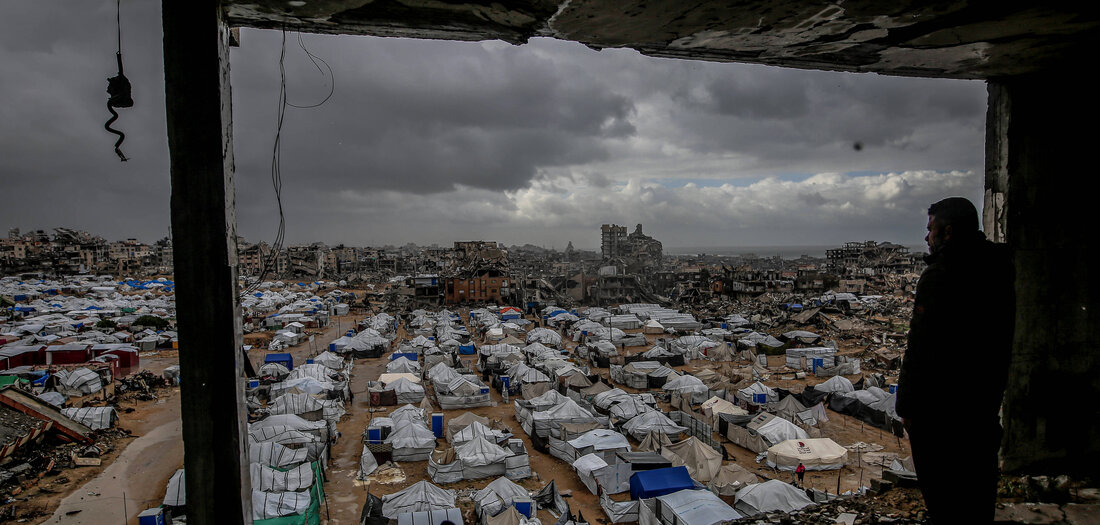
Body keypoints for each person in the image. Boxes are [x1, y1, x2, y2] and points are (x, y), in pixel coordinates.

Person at [896, 197, 1014, 523]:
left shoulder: (940, 276)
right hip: (983, 405)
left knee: (944, 498)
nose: (926, 237)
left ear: (947, 233)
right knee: (978, 494)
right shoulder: (1001, 268)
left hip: (940, 414)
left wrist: (906, 407)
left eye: (930, 230)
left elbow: (920, 349)